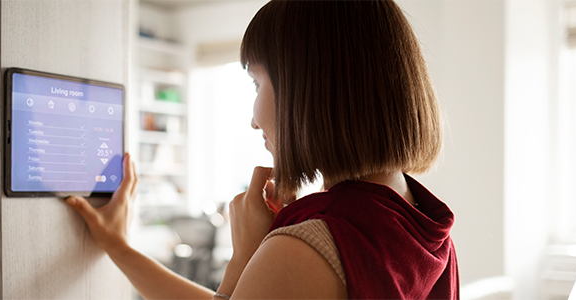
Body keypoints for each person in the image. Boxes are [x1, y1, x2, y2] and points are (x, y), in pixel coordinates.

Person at [65, 0, 458, 299]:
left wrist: (246, 259)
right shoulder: (418, 225)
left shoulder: (306, 249)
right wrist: (118, 246)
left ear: (309, 89)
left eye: (256, 83)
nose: (254, 119)